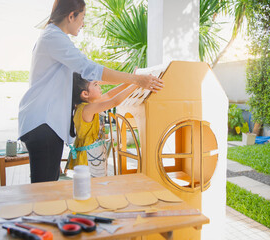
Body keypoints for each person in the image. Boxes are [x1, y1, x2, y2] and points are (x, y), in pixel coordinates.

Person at [18, 0, 163, 183]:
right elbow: (89, 69)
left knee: (46, 189)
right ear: (71, 16)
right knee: (43, 192)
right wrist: (136, 80)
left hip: (44, 125)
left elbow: (89, 76)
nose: (83, 23)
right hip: (43, 124)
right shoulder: (53, 38)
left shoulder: (54, 38)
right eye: (83, 17)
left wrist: (133, 80)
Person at [66, 72, 137, 177]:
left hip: (93, 156)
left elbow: (109, 95)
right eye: (95, 84)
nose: (99, 87)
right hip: (89, 160)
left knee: (94, 188)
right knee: (92, 189)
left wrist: (130, 82)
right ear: (85, 94)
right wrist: (137, 83)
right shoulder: (88, 109)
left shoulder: (87, 106)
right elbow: (114, 101)